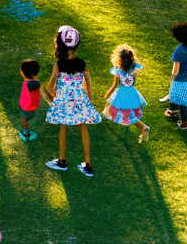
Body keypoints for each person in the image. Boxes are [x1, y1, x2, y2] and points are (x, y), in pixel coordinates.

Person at [42, 25, 102, 176]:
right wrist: (89, 102)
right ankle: (88, 165)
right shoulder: (82, 63)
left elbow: (48, 88)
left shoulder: (59, 64)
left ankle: (62, 161)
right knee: (83, 128)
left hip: (65, 104)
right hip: (81, 102)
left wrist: (57, 102)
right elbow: (88, 83)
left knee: (63, 127)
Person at [103, 44, 151, 143]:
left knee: (116, 108)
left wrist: (107, 94)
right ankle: (142, 127)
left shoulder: (118, 71)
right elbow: (133, 81)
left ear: (119, 59)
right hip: (132, 93)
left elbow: (114, 85)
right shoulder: (134, 69)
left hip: (122, 93)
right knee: (129, 112)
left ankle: (144, 127)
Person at [165, 22, 187, 130]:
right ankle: (184, 123)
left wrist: (172, 78)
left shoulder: (178, 50)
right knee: (186, 102)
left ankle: (173, 112)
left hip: (180, 80)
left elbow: (176, 68)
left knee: (173, 96)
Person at [18, 59, 42, 142]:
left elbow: (34, 85)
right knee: (28, 116)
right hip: (32, 105)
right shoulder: (34, 81)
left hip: (26, 106)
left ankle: (26, 132)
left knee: (23, 118)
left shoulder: (30, 83)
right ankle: (26, 129)